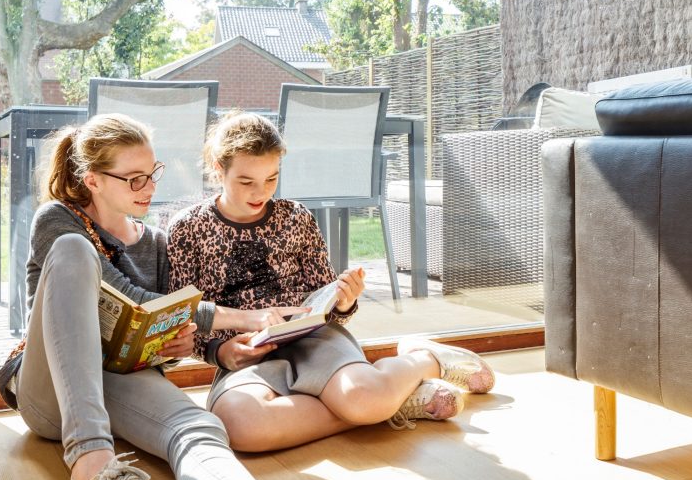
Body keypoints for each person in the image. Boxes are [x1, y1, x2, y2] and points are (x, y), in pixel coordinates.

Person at [0, 113, 424, 480]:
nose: (147, 187)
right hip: (48, 393)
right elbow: (133, 299)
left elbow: (160, 323)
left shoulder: (156, 242)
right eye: (133, 178)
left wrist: (171, 346)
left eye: (151, 173)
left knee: (199, 427)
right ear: (92, 179)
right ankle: (93, 473)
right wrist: (248, 317)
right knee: (75, 252)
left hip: (116, 377)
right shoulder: (59, 221)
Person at [167, 111, 496, 453]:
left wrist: (343, 301)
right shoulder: (187, 228)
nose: (260, 192)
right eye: (246, 181)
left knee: (363, 395)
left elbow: (328, 308)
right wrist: (219, 352)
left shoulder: (296, 218)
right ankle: (390, 403)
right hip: (245, 355)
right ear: (219, 169)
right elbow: (183, 317)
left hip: (314, 341)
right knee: (240, 427)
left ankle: (423, 359)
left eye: (271, 178)